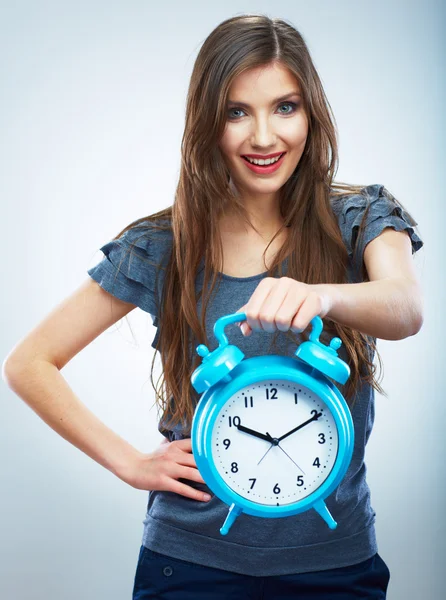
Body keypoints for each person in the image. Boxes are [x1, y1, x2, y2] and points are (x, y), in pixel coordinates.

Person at [2, 13, 424, 600]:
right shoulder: (164, 244)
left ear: (312, 114)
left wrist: (321, 295)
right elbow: (29, 362)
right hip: (189, 562)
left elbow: (406, 308)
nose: (263, 137)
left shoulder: (359, 219)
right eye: (236, 111)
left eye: (285, 107)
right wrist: (131, 464)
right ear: (208, 123)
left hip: (335, 562)